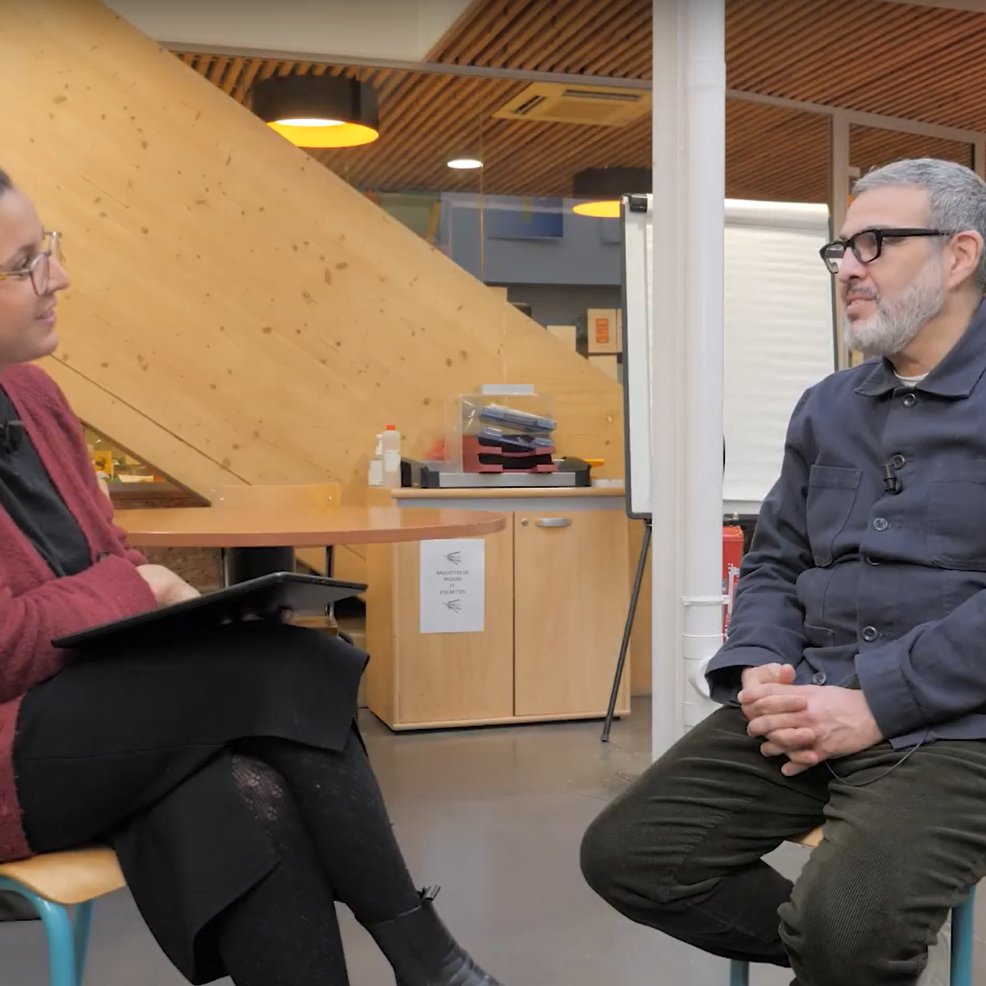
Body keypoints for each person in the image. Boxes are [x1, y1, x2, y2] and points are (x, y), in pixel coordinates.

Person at [0, 166, 508, 986]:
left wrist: (147, 594)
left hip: (87, 707)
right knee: (286, 662)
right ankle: (427, 956)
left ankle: (428, 959)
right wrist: (152, 590)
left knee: (243, 786)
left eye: (46, 249)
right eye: (24, 265)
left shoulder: (35, 395)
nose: (57, 277)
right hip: (13, 742)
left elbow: (108, 558)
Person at [580, 157, 986, 986]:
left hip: (959, 729)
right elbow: (774, 559)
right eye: (842, 249)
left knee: (847, 924)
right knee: (627, 854)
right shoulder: (828, 405)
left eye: (875, 242)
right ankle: (859, 958)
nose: (852, 268)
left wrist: (877, 700)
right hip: (809, 700)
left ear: (960, 255)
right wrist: (760, 664)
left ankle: (855, 950)